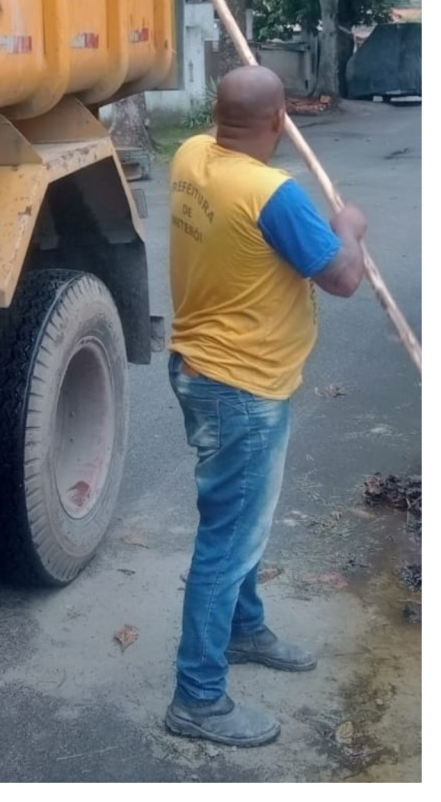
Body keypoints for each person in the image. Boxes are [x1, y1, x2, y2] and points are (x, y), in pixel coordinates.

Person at [164, 65, 367, 748]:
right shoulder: (274, 194)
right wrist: (351, 226)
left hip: (199, 370)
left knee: (239, 520)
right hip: (241, 390)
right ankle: (197, 698)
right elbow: (341, 278)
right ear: (282, 120)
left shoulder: (192, 155)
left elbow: (232, 130)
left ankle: (244, 628)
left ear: (215, 114)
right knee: (228, 540)